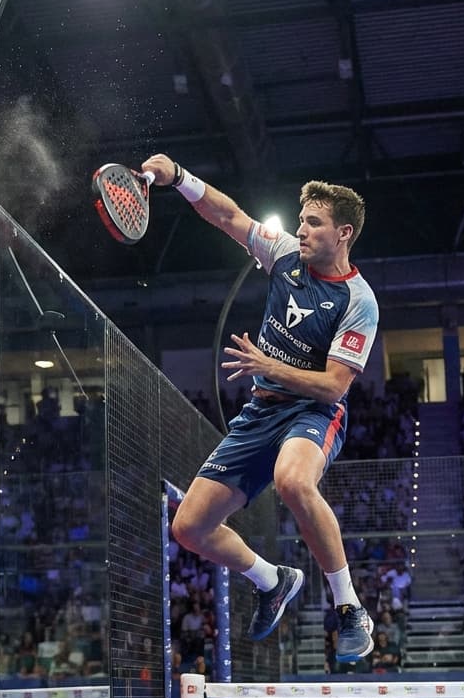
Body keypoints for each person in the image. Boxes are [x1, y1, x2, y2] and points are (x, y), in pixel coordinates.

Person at [141, 155, 378, 660]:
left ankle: (349, 607)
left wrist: (269, 365)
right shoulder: (285, 255)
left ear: (344, 233)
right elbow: (229, 216)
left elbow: (335, 386)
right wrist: (181, 177)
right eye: (301, 221)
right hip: (260, 414)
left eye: (314, 223)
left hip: (313, 412)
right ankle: (272, 580)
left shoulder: (359, 301)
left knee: (293, 481)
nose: (302, 230)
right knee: (188, 527)